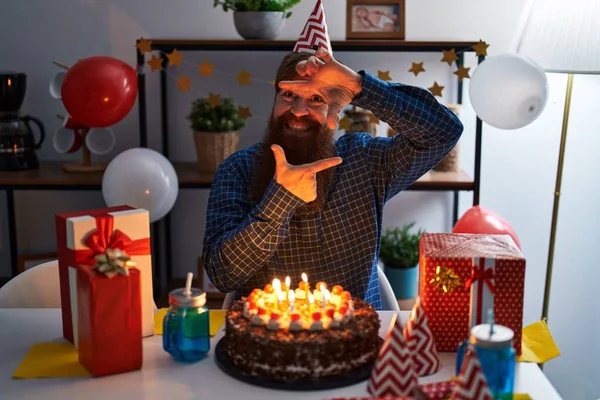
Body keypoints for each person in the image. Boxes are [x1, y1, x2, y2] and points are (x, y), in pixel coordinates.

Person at [202, 47, 463, 309]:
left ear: (335, 112)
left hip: (359, 337)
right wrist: (279, 200)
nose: (299, 110)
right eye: (289, 95)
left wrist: (360, 86)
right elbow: (222, 274)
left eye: (316, 98)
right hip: (266, 338)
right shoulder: (237, 169)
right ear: (274, 103)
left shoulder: (364, 160)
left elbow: (444, 131)